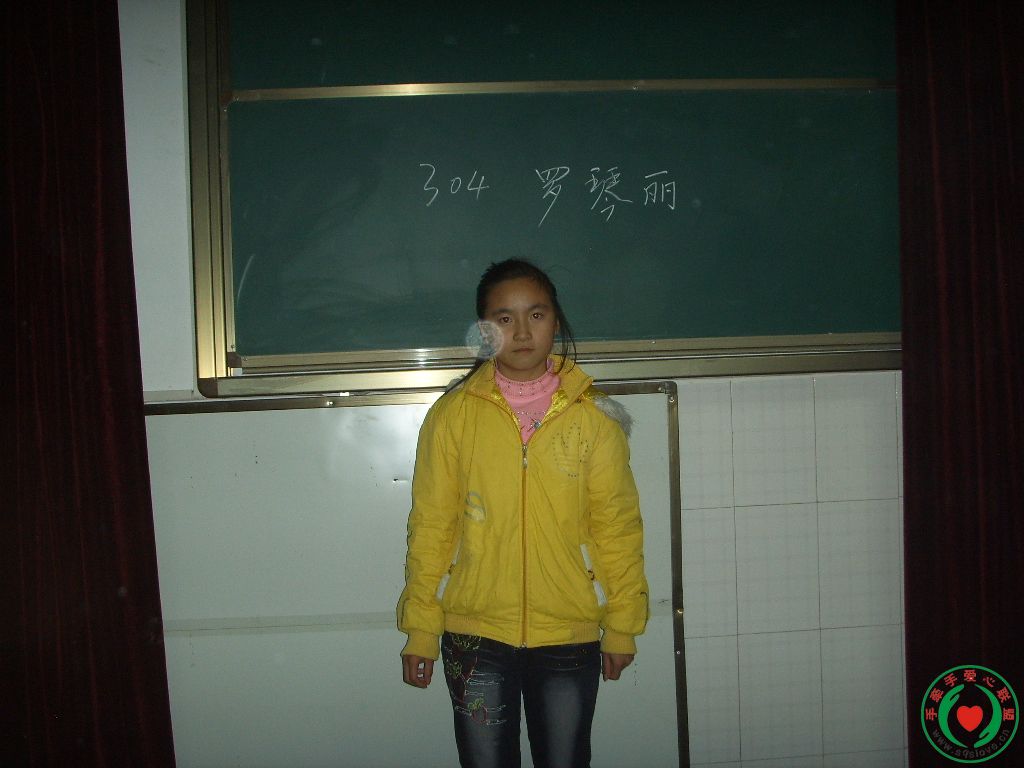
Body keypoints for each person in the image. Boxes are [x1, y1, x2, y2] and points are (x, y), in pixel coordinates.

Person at [397, 259, 648, 768]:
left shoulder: (593, 418)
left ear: (556, 320)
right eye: (504, 318)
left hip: (569, 634)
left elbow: (616, 528)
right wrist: (421, 628)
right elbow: (432, 527)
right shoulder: (453, 416)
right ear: (484, 331)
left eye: (536, 314)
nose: (523, 331)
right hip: (475, 634)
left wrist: (623, 623)